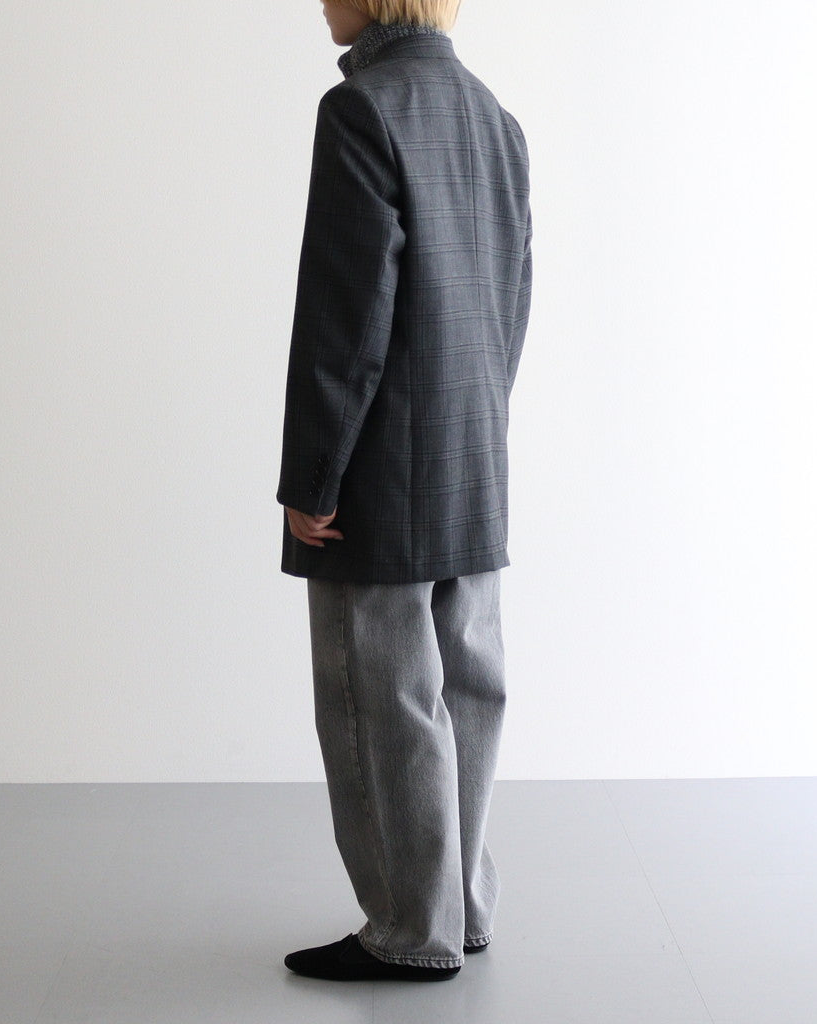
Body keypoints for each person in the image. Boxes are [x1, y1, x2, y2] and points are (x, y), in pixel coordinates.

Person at [276, 0, 532, 982]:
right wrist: (481, 423)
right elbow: (512, 296)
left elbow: (346, 316)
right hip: (472, 448)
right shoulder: (494, 117)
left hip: (380, 466)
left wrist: (313, 476)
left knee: (380, 696)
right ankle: (461, 908)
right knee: (466, 685)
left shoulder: (361, 110)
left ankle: (407, 930)